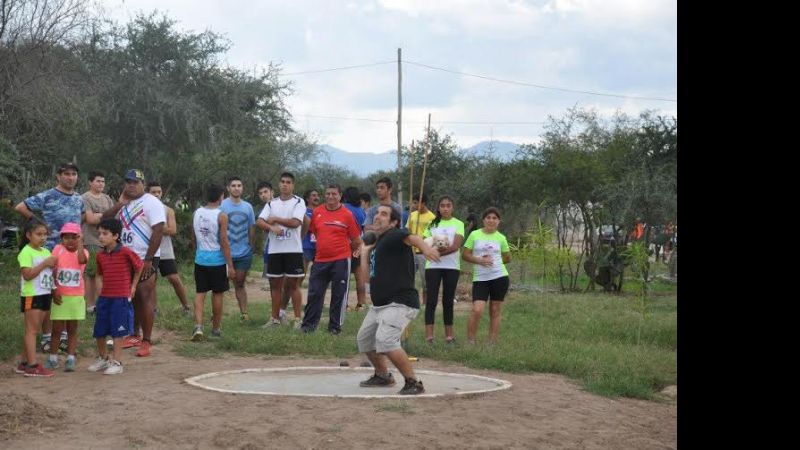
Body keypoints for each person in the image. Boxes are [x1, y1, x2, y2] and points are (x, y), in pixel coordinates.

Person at [355, 205, 440, 395]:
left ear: (393, 222)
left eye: (384, 214)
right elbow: (367, 277)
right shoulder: (379, 244)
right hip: (380, 306)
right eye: (377, 213)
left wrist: (425, 249)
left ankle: (413, 383)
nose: (378, 216)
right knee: (365, 340)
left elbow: (413, 238)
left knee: (385, 340)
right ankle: (383, 375)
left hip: (400, 302)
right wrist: (365, 251)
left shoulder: (394, 234)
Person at [15, 162, 85, 352]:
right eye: (67, 174)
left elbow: (84, 218)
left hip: (71, 254)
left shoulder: (79, 199)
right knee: (47, 291)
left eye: (74, 174)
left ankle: (61, 335)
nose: (70, 177)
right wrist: (39, 224)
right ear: (59, 176)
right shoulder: (48, 195)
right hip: (50, 250)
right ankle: (47, 336)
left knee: (64, 290)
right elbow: (20, 207)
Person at [101, 169, 165, 358]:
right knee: (132, 297)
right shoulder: (124, 202)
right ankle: (133, 334)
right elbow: (105, 220)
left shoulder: (152, 202)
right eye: (128, 182)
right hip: (124, 256)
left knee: (145, 296)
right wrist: (120, 204)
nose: (131, 185)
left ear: (142, 184)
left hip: (145, 257)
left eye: (135, 182)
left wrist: (148, 259)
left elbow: (159, 230)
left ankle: (146, 340)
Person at [301, 184, 362, 334]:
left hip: (341, 259)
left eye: (334, 194)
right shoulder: (318, 212)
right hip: (320, 259)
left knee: (338, 294)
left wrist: (354, 252)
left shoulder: (347, 214)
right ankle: (308, 326)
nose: (330, 197)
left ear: (340, 196)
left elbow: (356, 239)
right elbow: (315, 231)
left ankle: (334, 327)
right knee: (315, 293)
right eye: (328, 194)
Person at [87, 218, 143, 375]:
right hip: (105, 298)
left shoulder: (126, 252)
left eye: (105, 234)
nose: (101, 237)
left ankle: (117, 362)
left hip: (120, 298)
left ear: (116, 236)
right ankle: (103, 359)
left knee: (118, 331)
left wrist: (133, 286)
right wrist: (100, 291)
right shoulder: (100, 256)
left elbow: (139, 267)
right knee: (99, 330)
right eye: (99, 234)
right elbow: (98, 274)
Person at [257, 172, 306, 328]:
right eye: (283, 182)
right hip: (275, 251)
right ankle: (275, 319)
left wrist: (276, 219)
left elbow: (296, 222)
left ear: (293, 185)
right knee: (275, 285)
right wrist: (271, 227)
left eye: (288, 182)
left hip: (293, 250)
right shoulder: (272, 203)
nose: (285, 184)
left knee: (293, 285)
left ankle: (298, 320)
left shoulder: (299, 202)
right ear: (279, 184)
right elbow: (259, 221)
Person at [190, 184, 235, 341]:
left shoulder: (197, 213)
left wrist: (196, 253)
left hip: (200, 259)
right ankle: (216, 328)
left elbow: (194, 237)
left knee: (200, 293)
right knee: (217, 294)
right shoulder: (221, 215)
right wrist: (230, 265)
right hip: (217, 261)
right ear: (221, 196)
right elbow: (224, 241)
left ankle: (198, 326)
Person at [462, 208, 511, 344]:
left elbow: (507, 257)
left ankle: (491, 343)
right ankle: (470, 341)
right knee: (477, 310)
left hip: (499, 278)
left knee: (495, 311)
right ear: (483, 220)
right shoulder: (474, 235)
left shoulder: (501, 238)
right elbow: (465, 255)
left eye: (494, 218)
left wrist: (496, 262)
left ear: (498, 221)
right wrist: (479, 260)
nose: (491, 220)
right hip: (481, 279)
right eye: (488, 217)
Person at [15, 218, 58, 377]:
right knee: (32, 330)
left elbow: (49, 274)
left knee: (34, 330)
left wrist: (54, 290)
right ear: (28, 235)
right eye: (39, 234)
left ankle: (24, 363)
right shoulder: (26, 252)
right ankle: (32, 365)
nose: (43, 237)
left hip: (45, 293)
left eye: (45, 234)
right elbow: (27, 275)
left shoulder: (45, 251)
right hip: (32, 295)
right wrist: (45, 264)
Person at [45, 223, 89, 372]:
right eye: (66, 237)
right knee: (56, 329)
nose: (70, 241)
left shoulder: (83, 252)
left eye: (74, 238)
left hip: (76, 297)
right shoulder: (57, 250)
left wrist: (81, 243)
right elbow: (51, 271)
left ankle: (70, 358)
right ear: (61, 239)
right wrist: (53, 289)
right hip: (60, 296)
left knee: (72, 329)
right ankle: (52, 358)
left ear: (79, 238)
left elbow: (82, 261)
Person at [423, 195, 465, 344]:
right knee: (431, 301)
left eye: (448, 205)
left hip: (451, 266)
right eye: (442, 206)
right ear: (438, 208)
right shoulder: (431, 224)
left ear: (452, 208)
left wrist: (435, 253)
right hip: (433, 266)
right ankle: (429, 336)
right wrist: (428, 250)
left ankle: (449, 336)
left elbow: (455, 246)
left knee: (448, 300)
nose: (445, 208)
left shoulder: (458, 224)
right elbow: (425, 244)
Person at [147, 182, 191, 315]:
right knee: (151, 280)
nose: (156, 195)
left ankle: (186, 307)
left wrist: (158, 227)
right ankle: (153, 309)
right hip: (150, 250)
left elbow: (172, 230)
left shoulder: (168, 210)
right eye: (153, 192)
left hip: (165, 250)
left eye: (159, 192)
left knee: (174, 278)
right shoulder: (143, 209)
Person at [279, 188, 320, 325]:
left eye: (317, 195)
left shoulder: (320, 211)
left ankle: (311, 312)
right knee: (295, 281)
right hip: (305, 248)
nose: (316, 197)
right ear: (307, 198)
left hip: (318, 249)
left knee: (317, 282)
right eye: (313, 195)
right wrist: (301, 239)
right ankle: (283, 310)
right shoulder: (303, 210)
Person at [220, 177, 257, 321]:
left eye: (239, 185)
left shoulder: (248, 207)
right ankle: (216, 315)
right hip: (224, 252)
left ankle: (244, 313)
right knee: (220, 285)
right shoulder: (222, 206)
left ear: (242, 188)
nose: (236, 188)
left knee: (240, 282)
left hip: (243, 252)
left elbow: (251, 227)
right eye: (233, 186)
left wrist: (251, 245)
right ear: (228, 188)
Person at [81, 171, 114, 314]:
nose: (101, 184)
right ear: (90, 182)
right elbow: (90, 220)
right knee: (92, 273)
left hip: (107, 242)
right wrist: (103, 216)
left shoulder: (107, 199)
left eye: (103, 181)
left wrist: (99, 215)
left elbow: (114, 219)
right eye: (98, 181)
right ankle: (90, 305)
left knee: (105, 274)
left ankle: (102, 303)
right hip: (91, 239)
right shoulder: (85, 198)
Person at [404, 193, 435, 305]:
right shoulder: (412, 215)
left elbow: (433, 235)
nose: (413, 205)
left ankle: (425, 303)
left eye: (416, 202)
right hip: (411, 252)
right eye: (413, 202)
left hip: (423, 253)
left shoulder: (432, 217)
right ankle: (409, 301)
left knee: (425, 280)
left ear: (423, 203)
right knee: (408, 278)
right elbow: (407, 230)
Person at [342, 186, 367, 310]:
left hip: (345, 244)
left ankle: (344, 304)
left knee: (344, 276)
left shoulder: (343, 208)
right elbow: (363, 228)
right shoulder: (361, 211)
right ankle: (361, 304)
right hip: (358, 244)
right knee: (359, 275)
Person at [256, 181, 273, 282]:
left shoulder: (279, 204)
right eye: (260, 193)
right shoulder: (262, 210)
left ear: (272, 192)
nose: (263, 195)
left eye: (265, 192)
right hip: (268, 243)